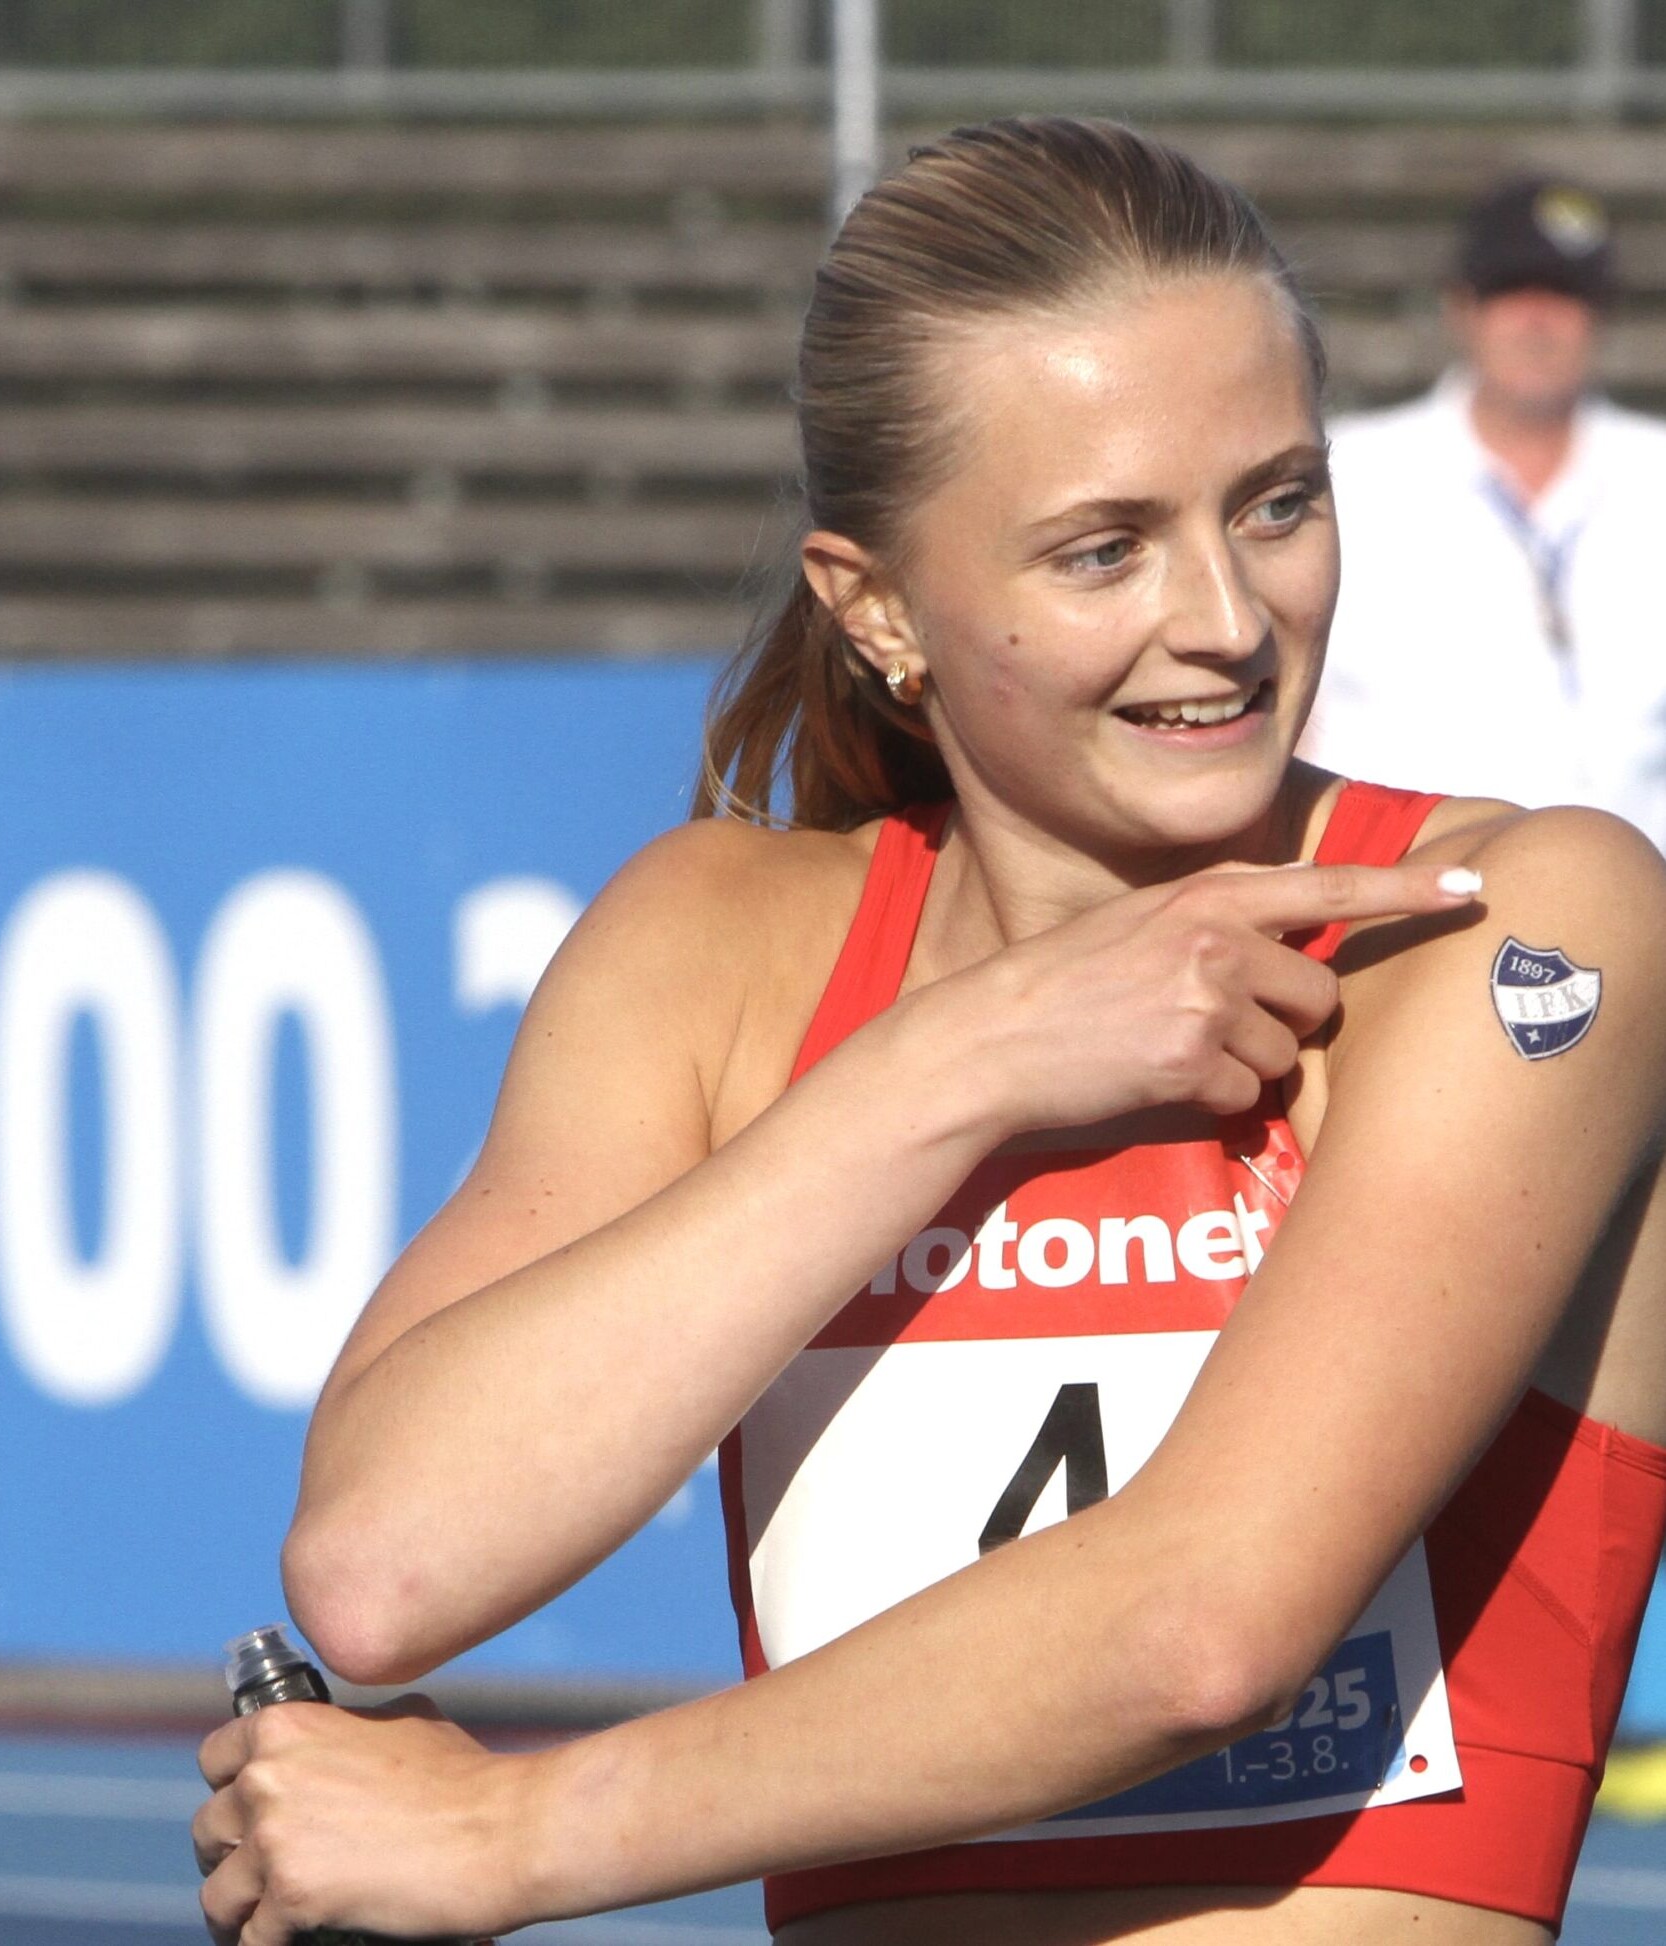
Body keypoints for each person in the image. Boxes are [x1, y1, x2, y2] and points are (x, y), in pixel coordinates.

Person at [191, 119, 1666, 1946]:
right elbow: (386, 1567)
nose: (1224, 620)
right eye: (1104, 549)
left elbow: (1200, 1627)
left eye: (1277, 503)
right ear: (876, 604)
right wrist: (958, 1061)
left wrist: (510, 1829)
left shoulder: (1515, 926)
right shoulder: (716, 945)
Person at [1305, 172, 1666, 849]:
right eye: (1510, 292)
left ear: (1601, 314)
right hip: (1404, 894)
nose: (1536, 321)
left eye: (1563, 294)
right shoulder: (1348, 473)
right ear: (1461, 308)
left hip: (1640, 894)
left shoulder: (1656, 475)